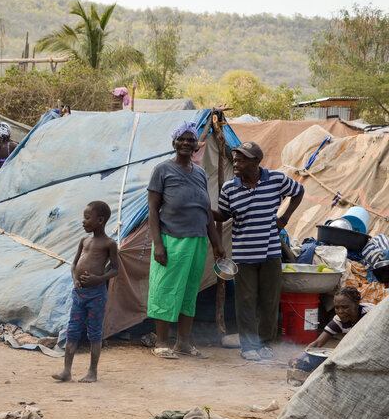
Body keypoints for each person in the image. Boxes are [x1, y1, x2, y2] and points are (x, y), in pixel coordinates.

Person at [213, 141, 304, 361]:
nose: (236, 163)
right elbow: (223, 215)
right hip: (244, 254)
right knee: (245, 300)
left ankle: (265, 343)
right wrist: (203, 211)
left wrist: (284, 218)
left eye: (241, 159)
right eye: (235, 159)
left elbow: (299, 191)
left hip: (271, 252)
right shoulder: (229, 188)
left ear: (255, 162)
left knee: (270, 300)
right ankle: (248, 346)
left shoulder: (275, 179)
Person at [147, 122, 225, 359]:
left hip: (198, 241)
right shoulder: (162, 170)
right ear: (174, 143)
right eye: (181, 139)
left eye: (190, 140)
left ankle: (183, 343)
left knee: (189, 292)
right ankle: (161, 343)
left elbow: (206, 212)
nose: (186, 143)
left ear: (196, 146)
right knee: (165, 290)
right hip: (171, 240)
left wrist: (216, 243)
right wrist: (158, 244)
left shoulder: (200, 173)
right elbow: (152, 210)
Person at [52, 201, 121, 383]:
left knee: (95, 332)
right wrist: (75, 279)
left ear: (100, 220)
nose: (83, 221)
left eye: (87, 218)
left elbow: (115, 270)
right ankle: (66, 370)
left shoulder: (109, 243)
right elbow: (74, 264)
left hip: (96, 295)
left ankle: (92, 371)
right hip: (79, 294)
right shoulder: (84, 241)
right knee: (72, 330)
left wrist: (97, 279)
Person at [308, 287, 374, 348]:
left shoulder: (371, 313)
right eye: (337, 308)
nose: (340, 311)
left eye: (345, 307)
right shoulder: (338, 321)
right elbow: (317, 343)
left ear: (356, 304)